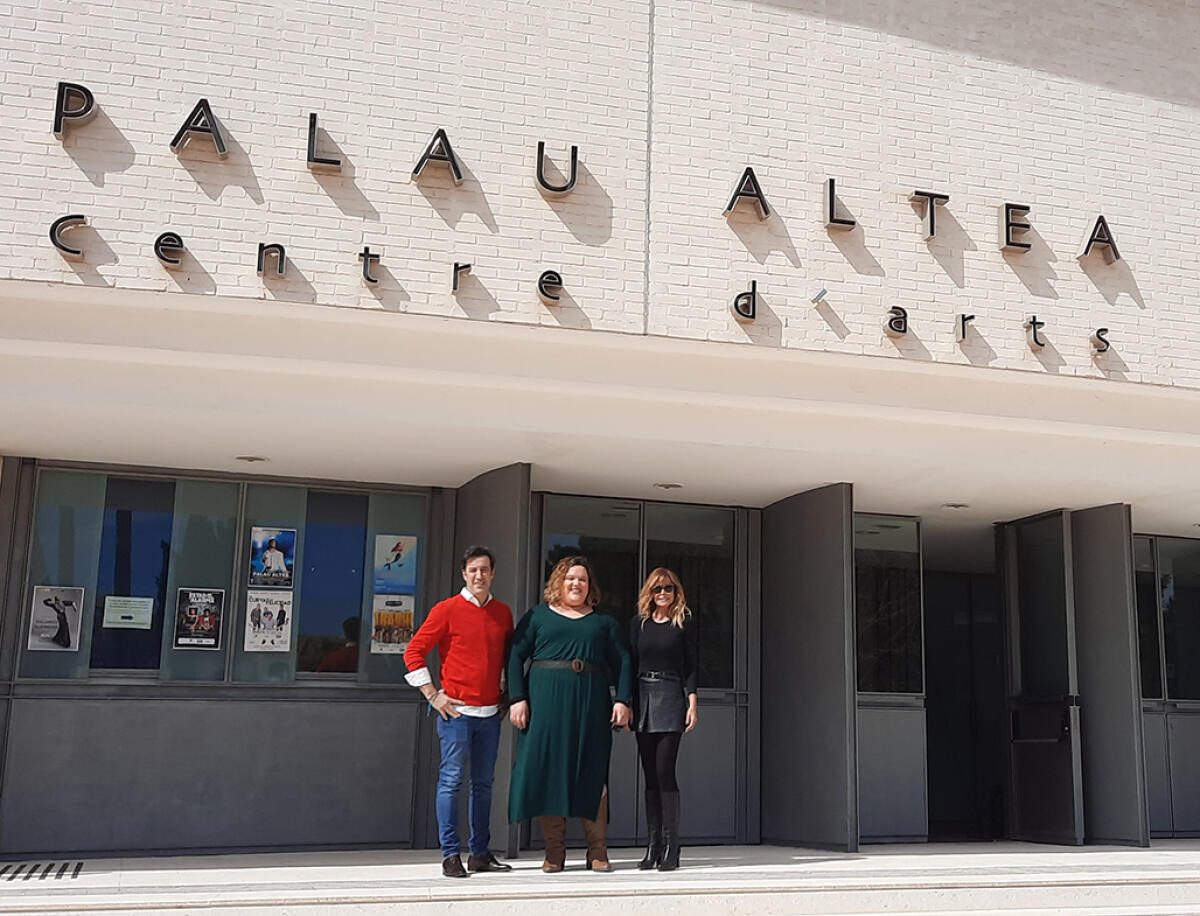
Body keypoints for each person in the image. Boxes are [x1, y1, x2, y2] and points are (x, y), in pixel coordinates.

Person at [507, 556, 633, 873]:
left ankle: (597, 851)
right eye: (570, 578)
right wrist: (517, 698)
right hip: (545, 703)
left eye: (582, 579)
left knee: (592, 770)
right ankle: (554, 852)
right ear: (559, 583)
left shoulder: (603, 622)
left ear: (590, 586)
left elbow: (624, 661)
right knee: (550, 771)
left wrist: (623, 700)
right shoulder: (537, 616)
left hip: (591, 703)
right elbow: (515, 655)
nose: (576, 584)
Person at [404, 546, 514, 879]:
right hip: (456, 714)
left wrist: (508, 696)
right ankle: (450, 855)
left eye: (484, 569)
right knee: (451, 782)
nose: (479, 575)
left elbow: (508, 658)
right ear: (464, 574)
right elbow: (413, 653)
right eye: (473, 570)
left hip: (490, 714)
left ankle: (480, 853)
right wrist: (433, 695)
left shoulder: (503, 613)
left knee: (484, 785)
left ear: (492, 573)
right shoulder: (446, 610)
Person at [628, 567, 698, 872]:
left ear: (676, 591)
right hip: (642, 695)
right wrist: (627, 702)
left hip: (671, 694)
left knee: (665, 771)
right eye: (657, 589)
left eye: (668, 588)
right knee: (649, 775)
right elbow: (630, 663)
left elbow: (692, 664)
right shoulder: (638, 624)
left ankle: (673, 846)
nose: (663, 594)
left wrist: (692, 701)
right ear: (649, 592)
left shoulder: (683, 622)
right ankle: (653, 845)